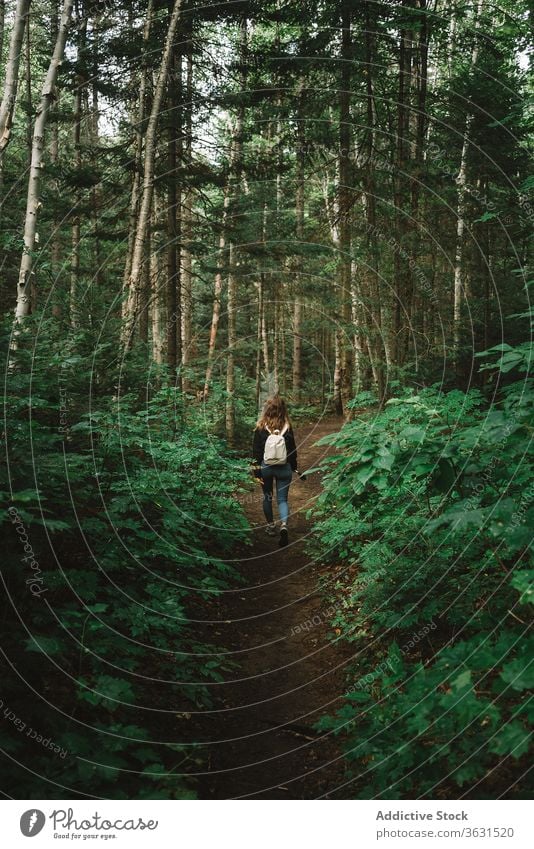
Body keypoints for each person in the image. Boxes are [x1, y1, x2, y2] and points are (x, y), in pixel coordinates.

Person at [252, 395, 299, 547]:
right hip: (284, 468)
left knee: (267, 497)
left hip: (266, 467)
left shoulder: (260, 427)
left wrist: (256, 471)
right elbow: (292, 450)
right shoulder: (287, 426)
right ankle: (284, 525)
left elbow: (256, 452)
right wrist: (294, 467)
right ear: (282, 409)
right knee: (283, 499)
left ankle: (271, 526)